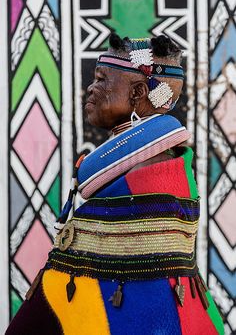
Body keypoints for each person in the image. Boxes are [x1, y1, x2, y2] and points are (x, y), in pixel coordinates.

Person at [6, 34, 224, 335]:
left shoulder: (151, 172)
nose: (91, 89)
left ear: (136, 93)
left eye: (101, 80)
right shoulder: (160, 166)